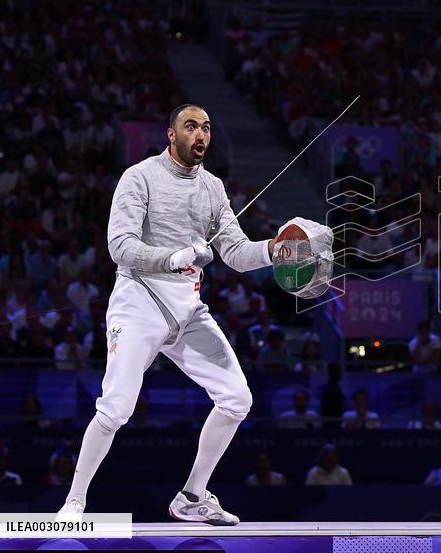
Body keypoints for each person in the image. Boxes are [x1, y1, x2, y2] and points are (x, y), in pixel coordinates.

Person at [57, 104, 287, 526]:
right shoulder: (140, 177)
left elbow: (235, 252)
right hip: (139, 301)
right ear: (171, 134)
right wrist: (175, 256)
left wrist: (276, 249)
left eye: (206, 128)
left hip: (187, 308)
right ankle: (73, 503)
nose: (200, 134)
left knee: (237, 398)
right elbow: (120, 246)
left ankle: (192, 497)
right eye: (191, 126)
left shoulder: (214, 188)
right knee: (116, 408)